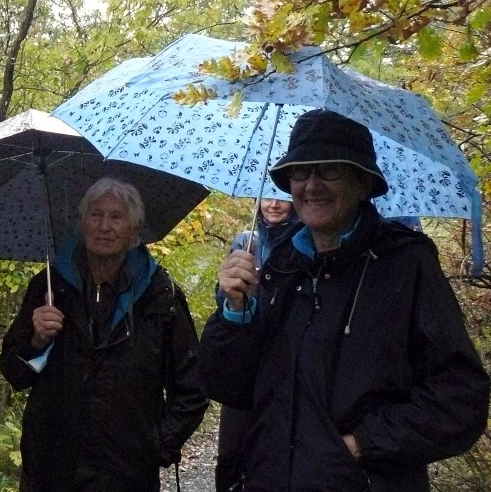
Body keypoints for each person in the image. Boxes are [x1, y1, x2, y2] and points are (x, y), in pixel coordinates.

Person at [198, 109, 490, 491]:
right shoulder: (279, 266)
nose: (311, 185)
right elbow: (228, 387)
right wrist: (235, 314)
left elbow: (460, 397)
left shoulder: (404, 265)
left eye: (330, 170)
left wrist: (363, 444)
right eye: (301, 171)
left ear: (362, 182)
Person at [0, 177, 208, 492]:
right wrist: (35, 341)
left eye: (116, 217)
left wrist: (155, 446)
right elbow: (13, 372)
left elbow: (192, 388)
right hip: (52, 468)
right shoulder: (50, 287)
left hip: (126, 474)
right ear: (81, 223)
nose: (104, 226)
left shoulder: (159, 295)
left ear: (135, 230)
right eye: (95, 215)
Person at [214, 198, 298, 492]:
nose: (273, 205)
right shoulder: (245, 241)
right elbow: (223, 306)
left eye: (283, 198)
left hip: (283, 368)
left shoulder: (304, 244)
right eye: (267, 198)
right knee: (231, 454)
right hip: (245, 365)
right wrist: (233, 292)